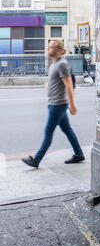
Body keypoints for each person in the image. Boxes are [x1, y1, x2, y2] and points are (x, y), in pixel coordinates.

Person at [22, 39, 85, 169]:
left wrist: (72, 105)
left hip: (58, 104)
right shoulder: (54, 64)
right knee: (67, 130)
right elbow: (57, 82)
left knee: (48, 131)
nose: (48, 49)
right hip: (54, 103)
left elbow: (68, 85)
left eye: (51, 47)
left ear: (58, 50)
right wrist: (49, 85)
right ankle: (79, 154)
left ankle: (36, 160)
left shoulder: (62, 64)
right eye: (48, 46)